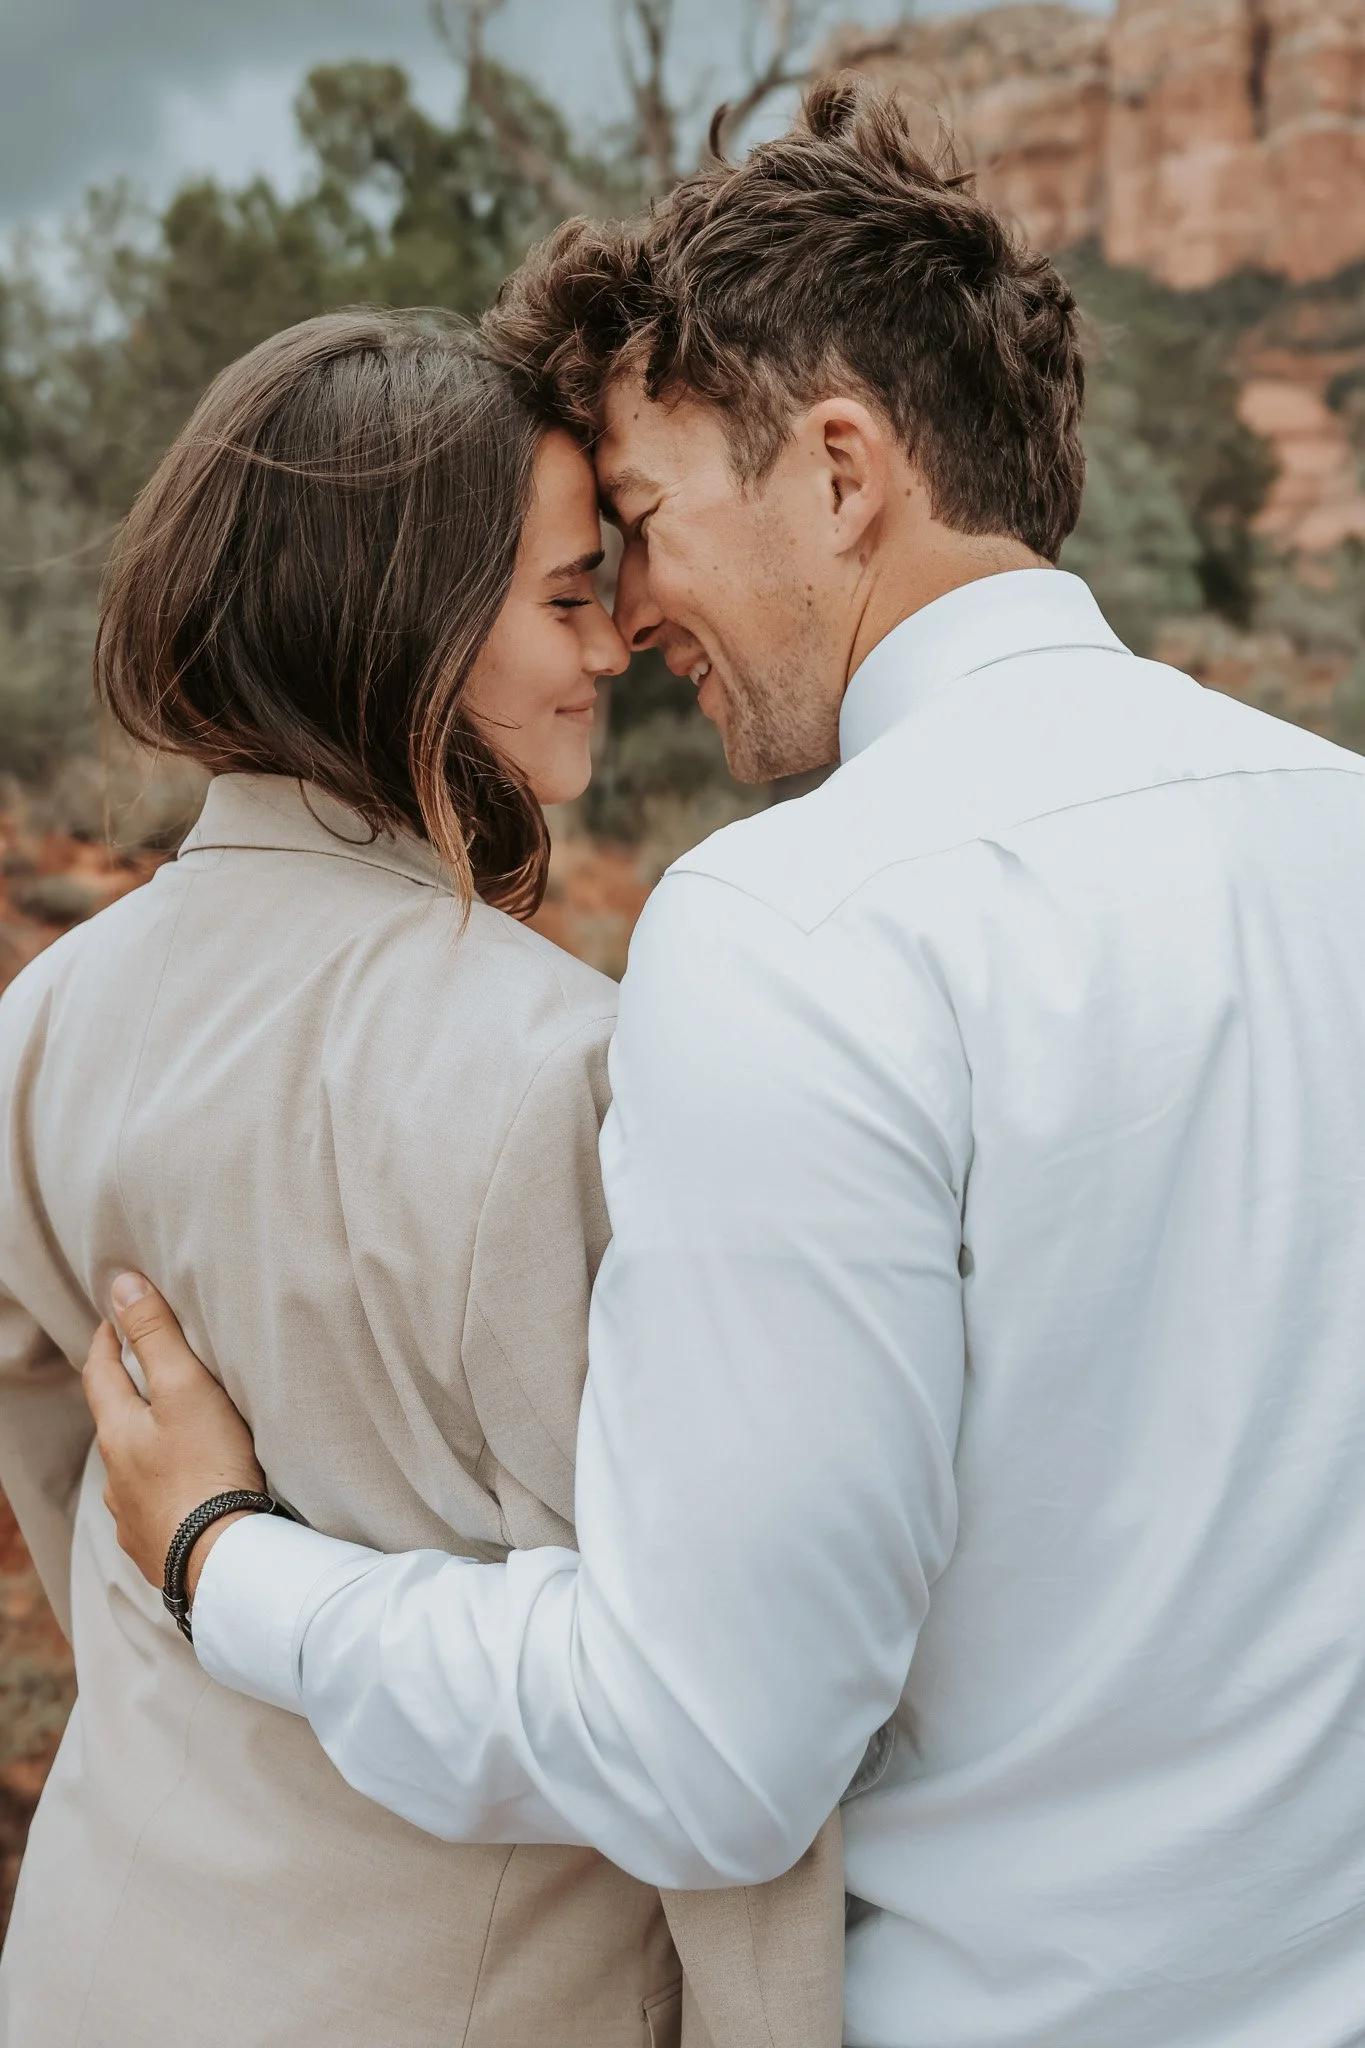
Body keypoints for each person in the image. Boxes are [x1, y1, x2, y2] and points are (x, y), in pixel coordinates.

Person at [88, 77, 1365, 2048]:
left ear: (839, 469)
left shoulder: (802, 928)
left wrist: (225, 1564)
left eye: (646, 520)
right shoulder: (1336, 823)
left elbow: (701, 1750)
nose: (630, 610)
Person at [0, 307, 843, 2048]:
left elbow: (62, 1451)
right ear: (402, 623)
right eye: (564, 597)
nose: (612, 644)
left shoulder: (49, 1015)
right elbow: (675, 1693)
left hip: (90, 1948)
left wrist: (196, 1618)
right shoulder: (561, 1072)